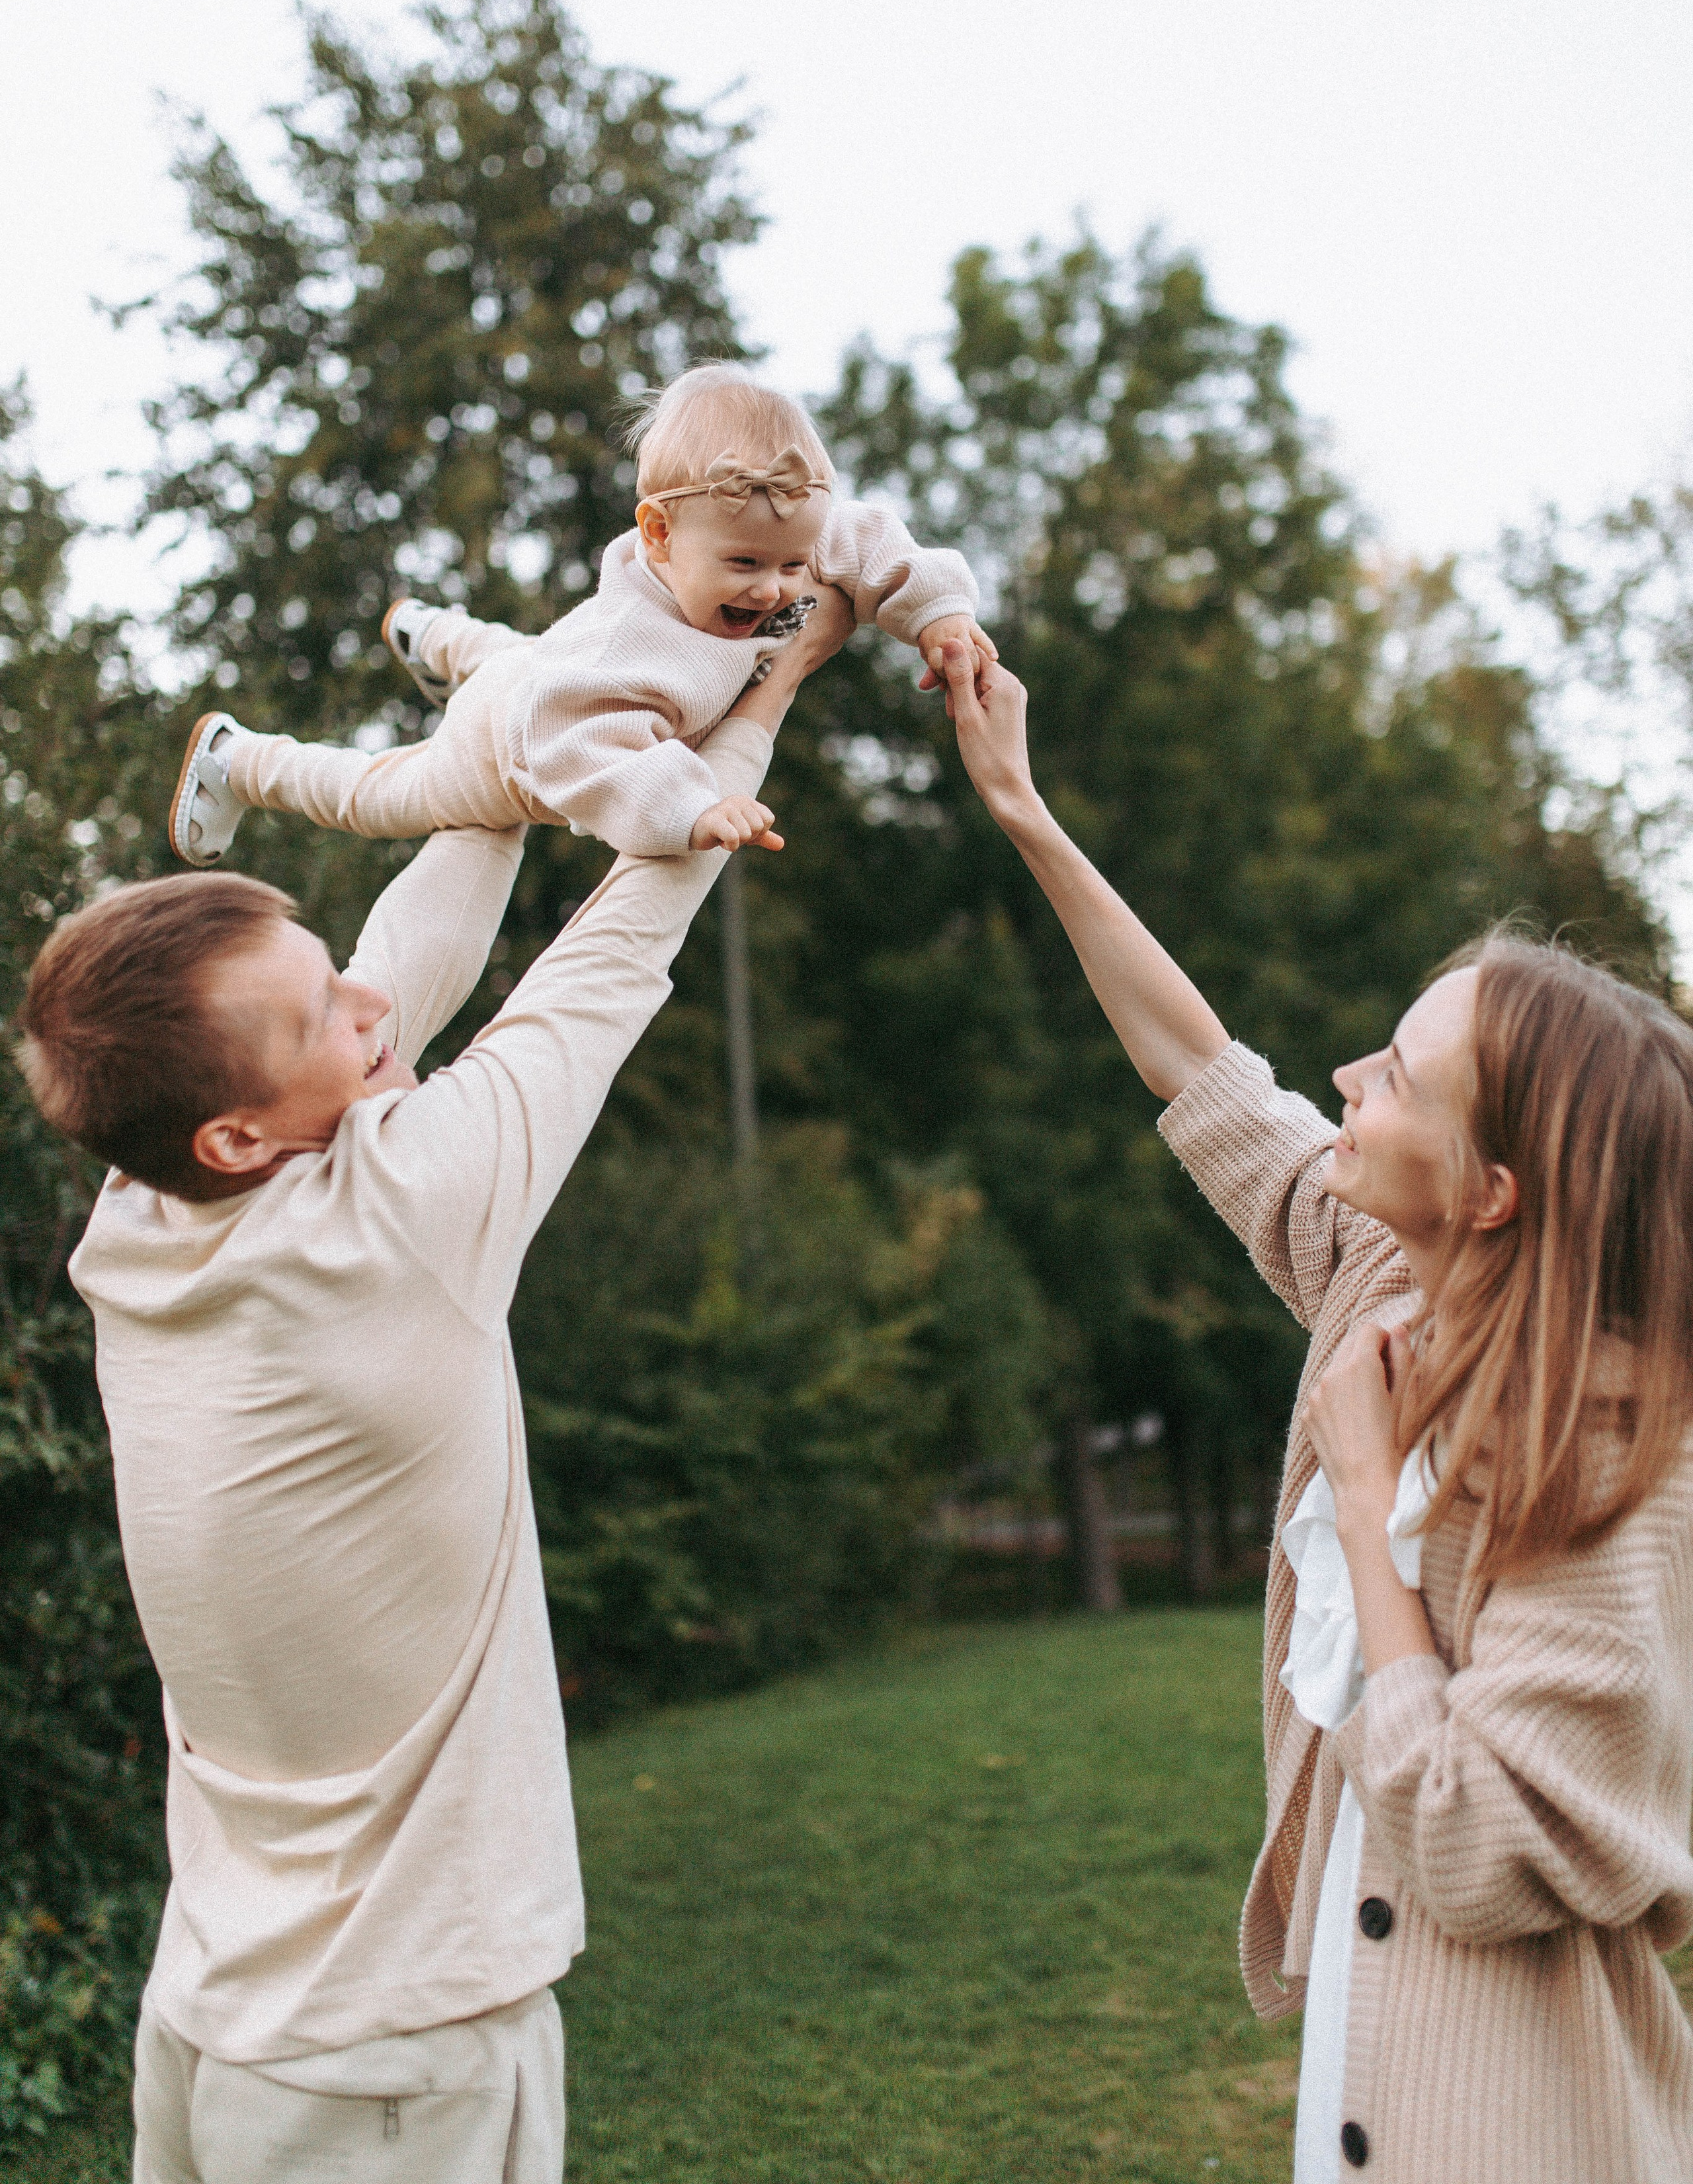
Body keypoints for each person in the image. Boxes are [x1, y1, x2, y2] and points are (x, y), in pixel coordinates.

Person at [14, 591, 850, 2184]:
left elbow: (420, 931)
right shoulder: (400, 1219)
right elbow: (637, 913)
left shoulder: (136, 1220)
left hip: (213, 2016)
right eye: (322, 1013)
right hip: (390, 2061)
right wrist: (768, 681)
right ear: (238, 1134)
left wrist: (542, 705)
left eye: (334, 971)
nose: (372, 1005)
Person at [932, 635, 1693, 2184]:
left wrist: (1363, 1505)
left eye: (1397, 1078)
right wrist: (1021, 806)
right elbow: (1197, 1067)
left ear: (1492, 1191)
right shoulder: (1381, 1274)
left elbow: (1479, 1845)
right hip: (1367, 2076)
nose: (1348, 1075)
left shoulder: (1606, 1449)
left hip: (1513, 2125)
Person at [168, 364, 995, 869]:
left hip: (543, 667)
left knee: (524, 652)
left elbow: (870, 539)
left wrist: (937, 616)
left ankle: (430, 632)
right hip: (506, 746)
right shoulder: (624, 648)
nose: (776, 590)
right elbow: (581, 748)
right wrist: (692, 808)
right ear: (659, 536)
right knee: (379, 795)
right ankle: (240, 760)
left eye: (789, 564)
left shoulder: (779, 526)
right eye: (744, 567)